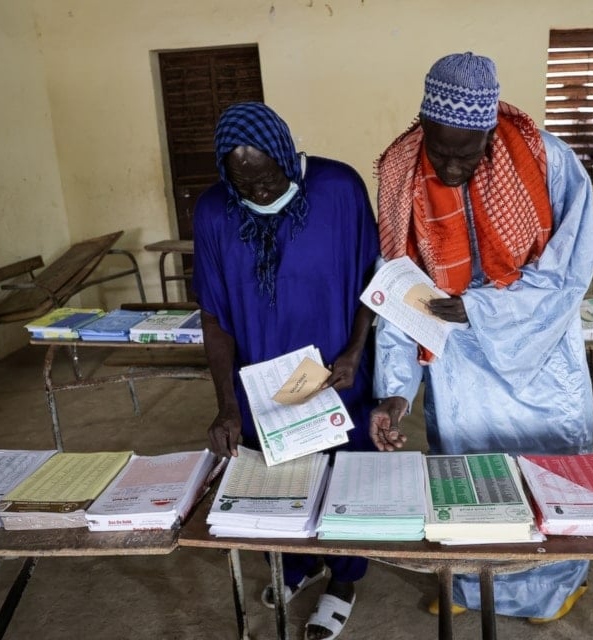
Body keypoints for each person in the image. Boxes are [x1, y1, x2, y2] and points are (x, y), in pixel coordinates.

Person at [371, 53, 593, 622]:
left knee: (546, 475)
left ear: (490, 132)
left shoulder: (549, 162)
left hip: (537, 348)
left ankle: (551, 589)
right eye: (439, 149)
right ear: (422, 126)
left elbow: (568, 274)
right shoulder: (403, 174)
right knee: (471, 475)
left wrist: (479, 308)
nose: (449, 167)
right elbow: (401, 287)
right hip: (456, 361)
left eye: (465, 153)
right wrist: (396, 390)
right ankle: (472, 585)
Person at [192, 102, 378, 640]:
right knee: (277, 482)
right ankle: (297, 564)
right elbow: (215, 314)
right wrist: (227, 403)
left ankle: (344, 580)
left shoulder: (338, 188)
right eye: (244, 182)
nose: (261, 192)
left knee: (346, 478)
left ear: (285, 155)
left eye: (269, 177)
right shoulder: (213, 212)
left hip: (337, 375)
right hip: (266, 388)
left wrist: (355, 353)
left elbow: (373, 278)